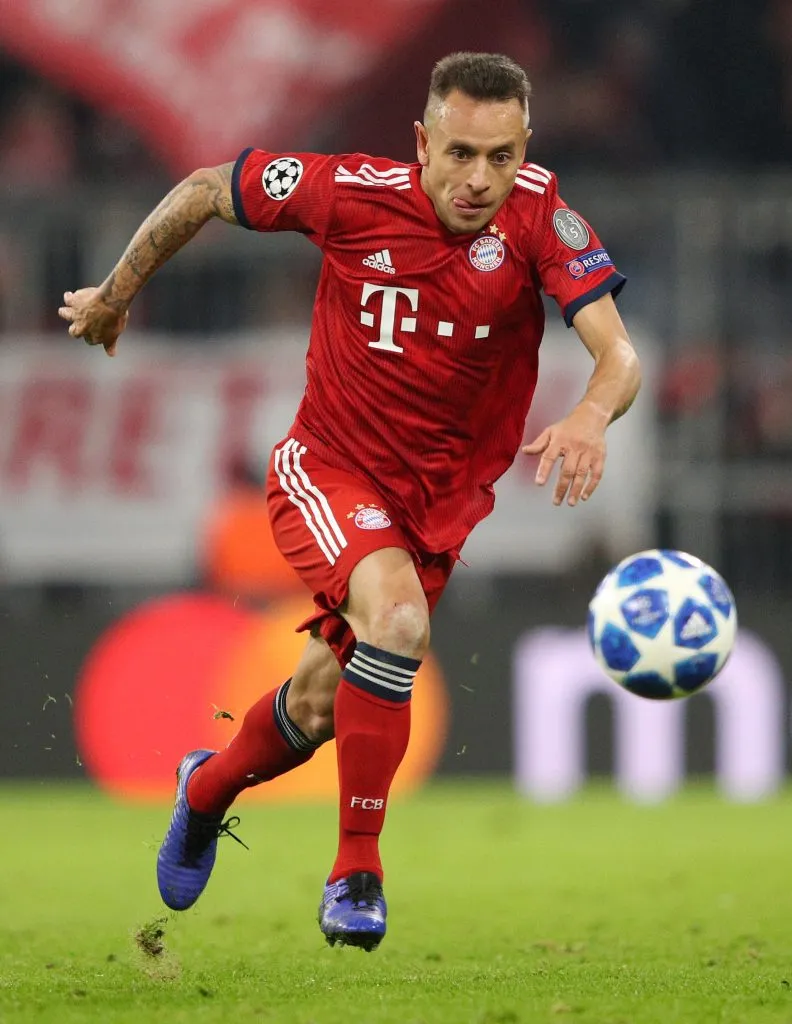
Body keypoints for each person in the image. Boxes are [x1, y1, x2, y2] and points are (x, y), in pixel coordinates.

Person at [58, 52, 641, 952]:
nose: (479, 178)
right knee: (398, 623)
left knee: (327, 702)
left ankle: (205, 790)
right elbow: (213, 186)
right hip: (327, 469)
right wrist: (115, 293)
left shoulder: (542, 218)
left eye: (501, 154)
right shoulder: (349, 192)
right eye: (459, 154)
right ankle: (356, 873)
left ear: (525, 144)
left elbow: (620, 356)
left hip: (437, 506)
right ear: (422, 143)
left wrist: (594, 416)